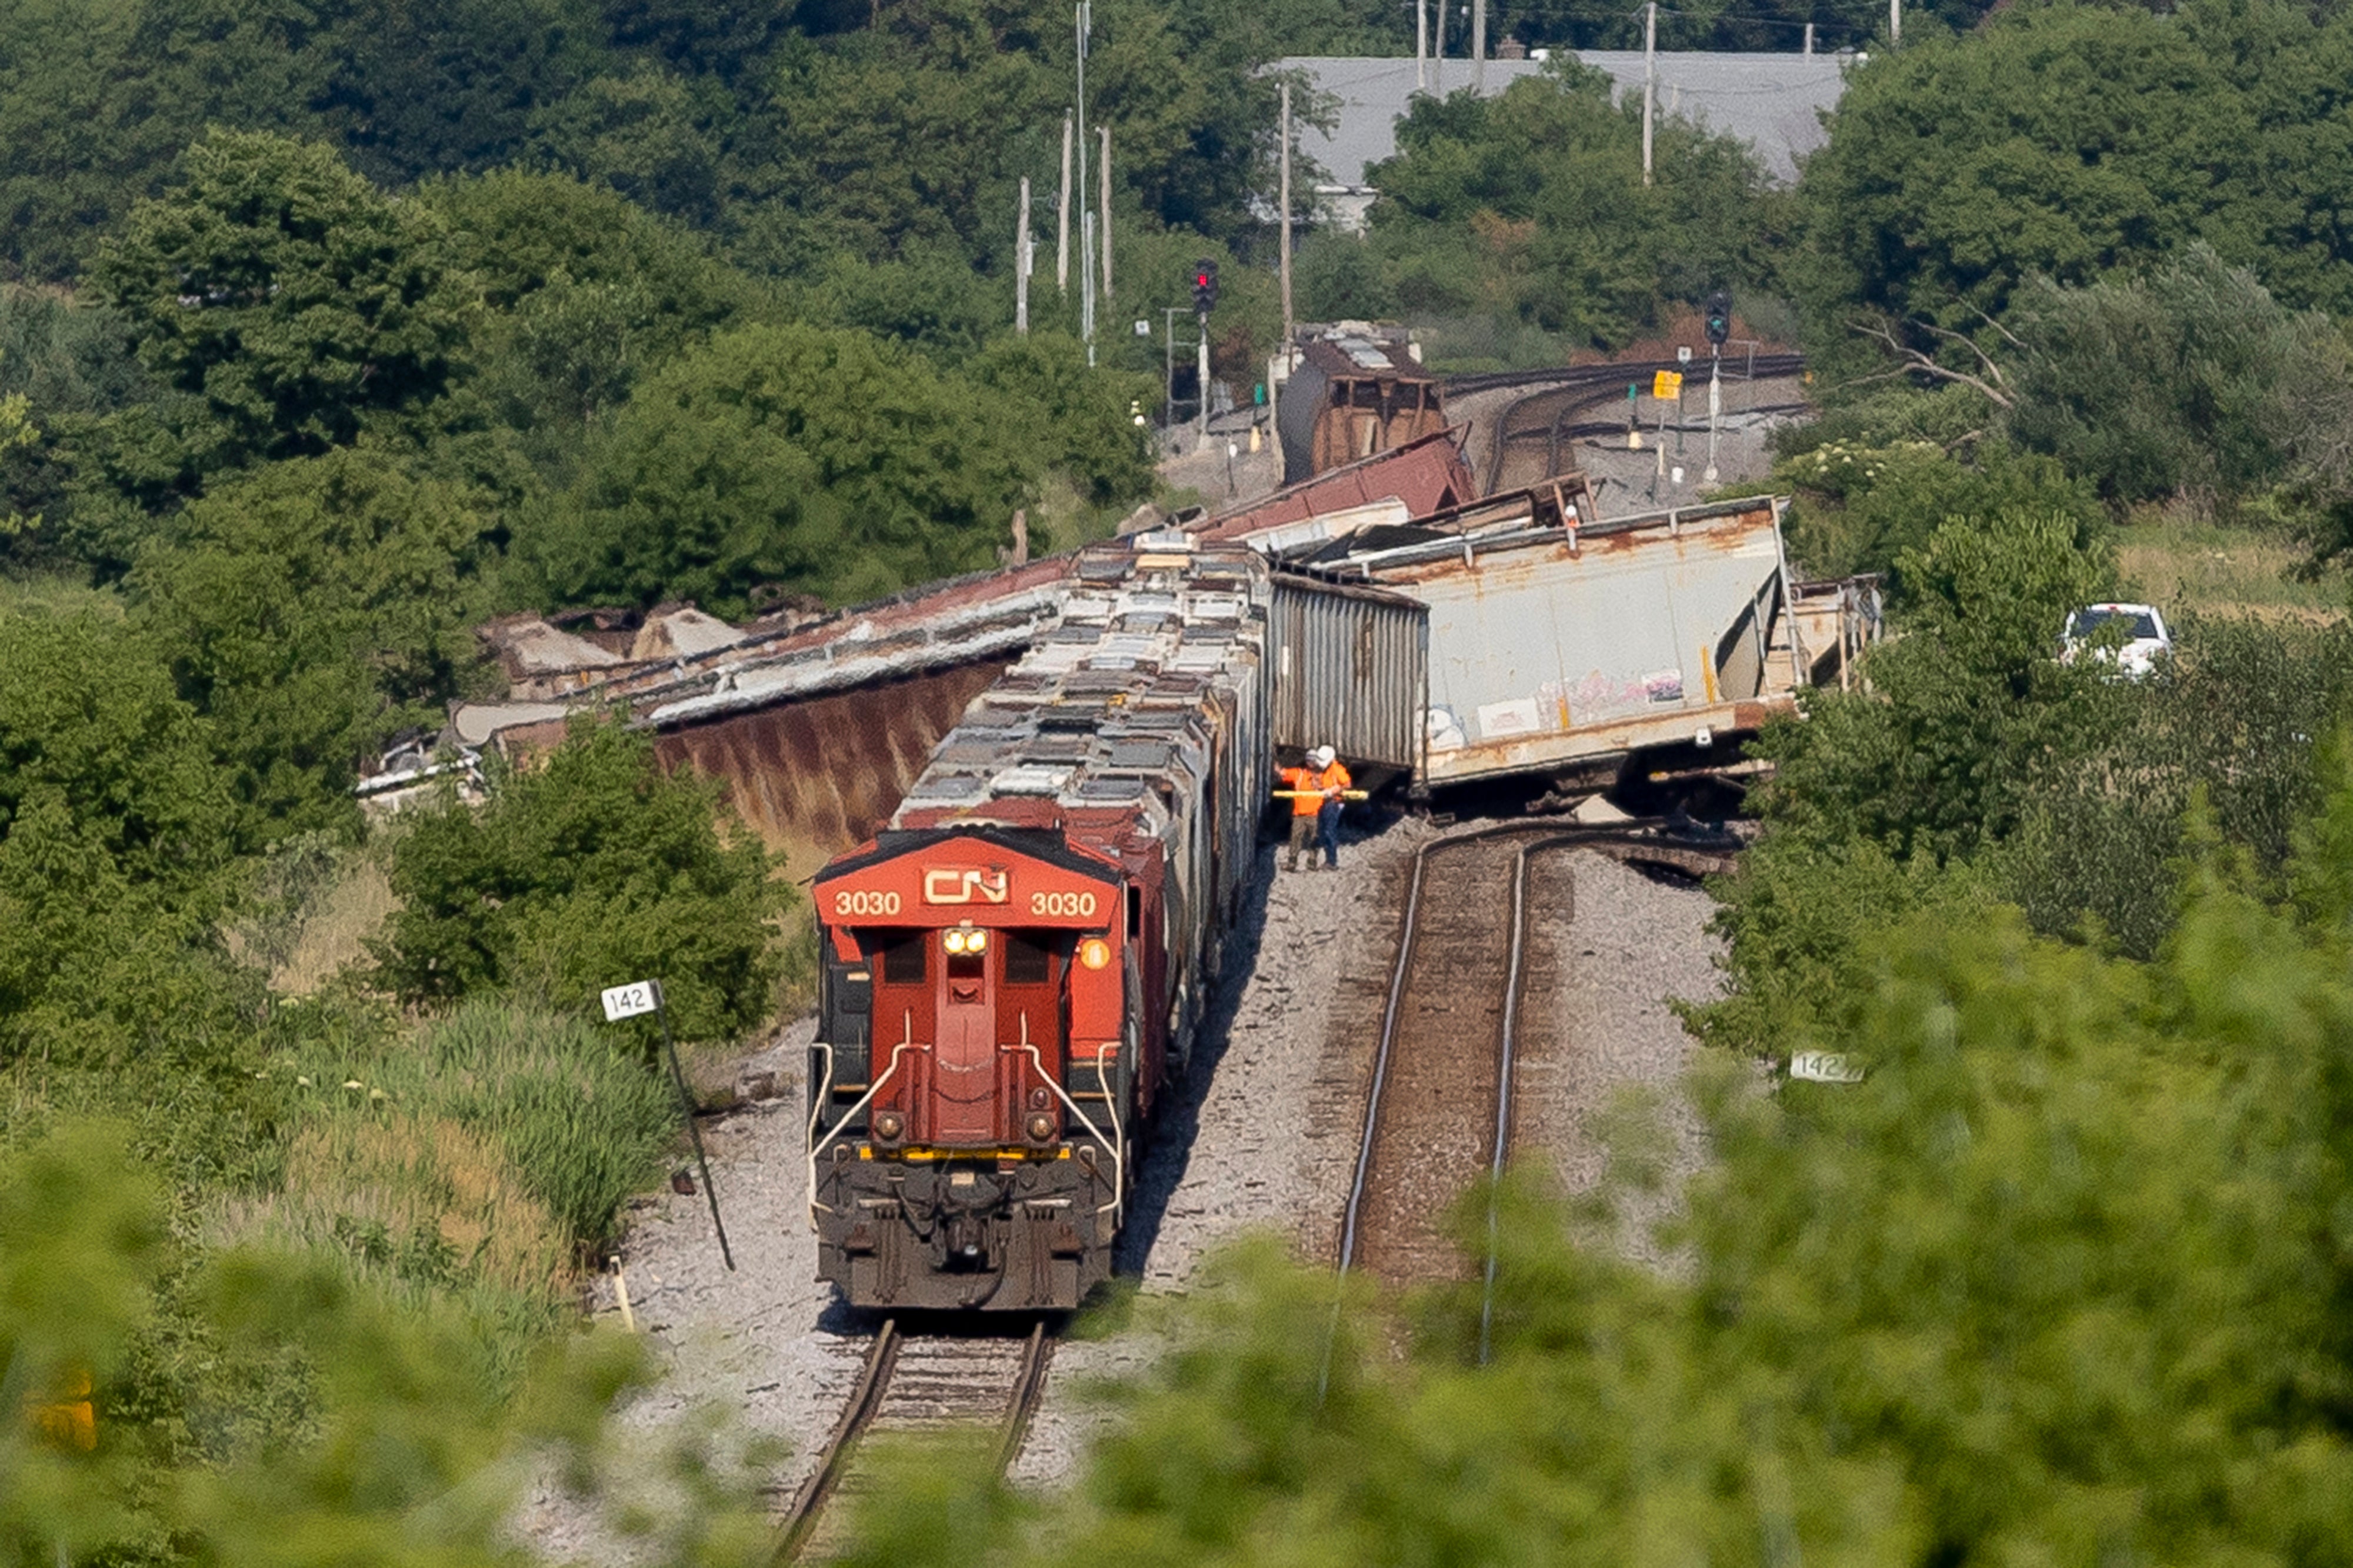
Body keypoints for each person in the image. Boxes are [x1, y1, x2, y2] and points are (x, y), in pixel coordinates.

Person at [1276, 745, 1352, 871]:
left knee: (1327, 832)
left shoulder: (1337, 769)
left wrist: (1333, 790)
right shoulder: (1309, 773)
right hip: (1315, 807)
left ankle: (1330, 862)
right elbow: (1284, 773)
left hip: (1332, 803)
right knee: (1318, 833)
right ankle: (1324, 861)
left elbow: (1347, 785)